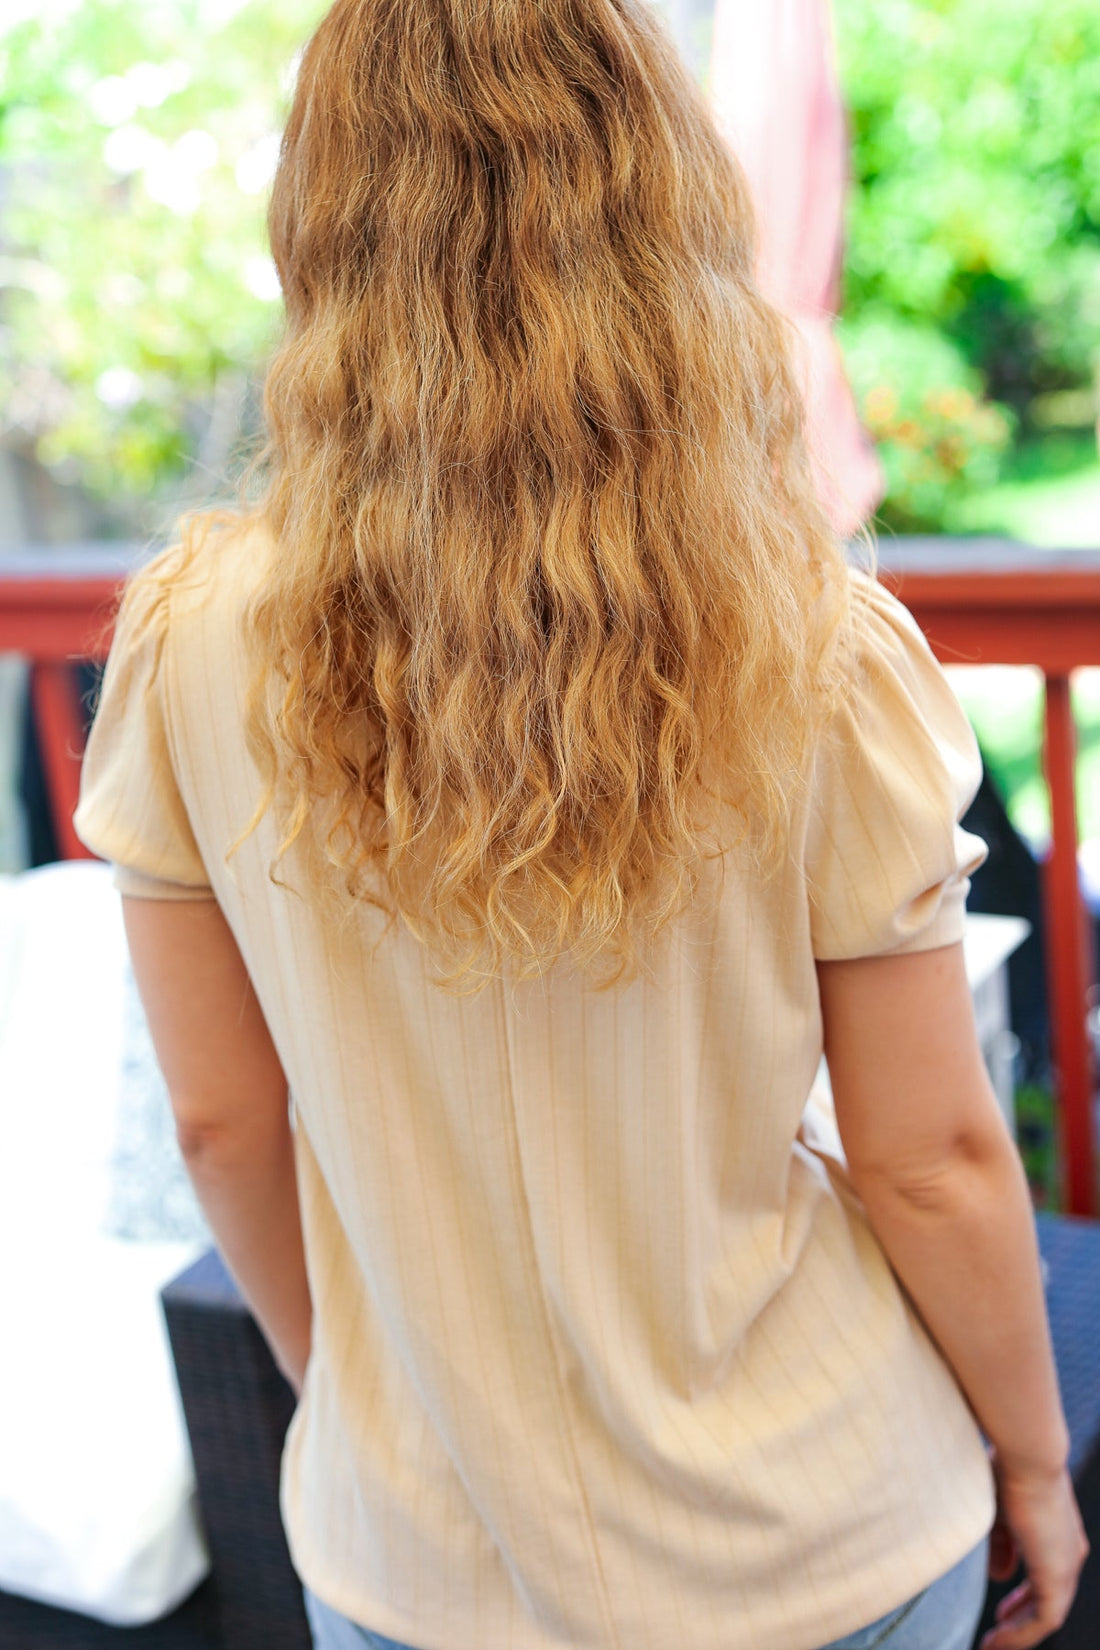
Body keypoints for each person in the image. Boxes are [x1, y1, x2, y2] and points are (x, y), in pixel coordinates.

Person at [73, 2, 1087, 1648]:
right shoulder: (810, 643)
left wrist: (379, 1402)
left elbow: (222, 1129)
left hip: (413, 1559)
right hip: (822, 1533)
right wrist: (1037, 1462)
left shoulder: (185, 640)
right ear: (662, 203)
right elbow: (935, 1159)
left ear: (320, 215)